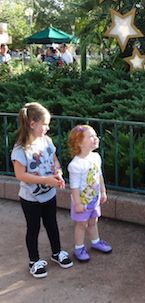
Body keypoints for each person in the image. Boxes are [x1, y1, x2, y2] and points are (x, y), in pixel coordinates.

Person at [11, 102, 73, 278]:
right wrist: (45, 179)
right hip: (30, 198)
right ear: (32, 124)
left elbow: (55, 161)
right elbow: (20, 175)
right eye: (45, 124)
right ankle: (34, 261)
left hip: (49, 194)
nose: (47, 127)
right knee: (34, 228)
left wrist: (58, 172)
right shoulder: (20, 148)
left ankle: (56, 253)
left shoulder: (47, 141)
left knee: (52, 223)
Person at [67, 124, 112, 262]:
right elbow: (74, 187)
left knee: (93, 221)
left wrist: (103, 191)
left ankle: (95, 241)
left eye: (95, 135)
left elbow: (99, 176)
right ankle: (79, 247)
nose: (95, 138)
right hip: (82, 202)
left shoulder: (96, 157)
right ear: (79, 142)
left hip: (94, 199)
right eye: (90, 136)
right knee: (81, 225)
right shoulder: (75, 165)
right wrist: (78, 203)